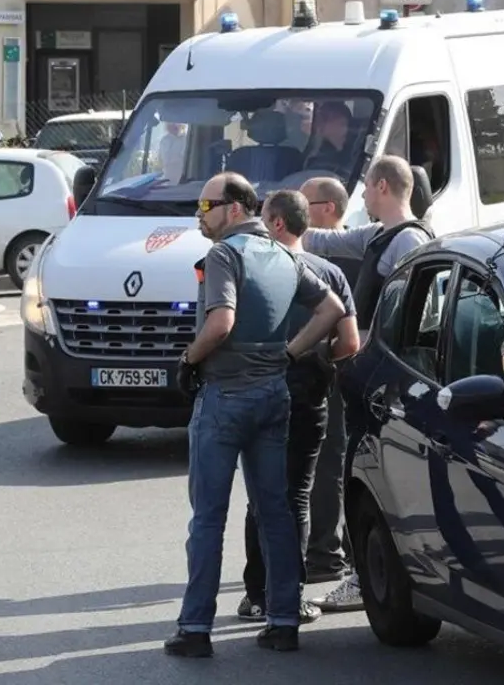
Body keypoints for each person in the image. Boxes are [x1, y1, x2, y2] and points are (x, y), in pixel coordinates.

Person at [164, 172, 347, 658]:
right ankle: (284, 620)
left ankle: (195, 629)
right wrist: (289, 354)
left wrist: (187, 359)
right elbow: (330, 309)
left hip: (225, 398)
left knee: (208, 518)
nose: (199, 217)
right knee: (276, 512)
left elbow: (220, 322)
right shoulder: (286, 256)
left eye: (205, 208)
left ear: (234, 208)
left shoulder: (225, 255)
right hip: (273, 397)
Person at [301, 155, 435, 612]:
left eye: (365, 189)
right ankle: (365, 570)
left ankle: (366, 575)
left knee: (368, 476)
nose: (360, 197)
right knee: (359, 473)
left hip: (385, 381)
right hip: (369, 376)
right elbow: (326, 239)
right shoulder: (383, 235)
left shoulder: (410, 241)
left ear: (381, 186)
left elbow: (420, 314)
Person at [236, 189, 360, 624]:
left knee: (260, 495)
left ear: (276, 223)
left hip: (253, 391)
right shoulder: (330, 274)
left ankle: (255, 594)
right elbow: (350, 343)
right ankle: (289, 595)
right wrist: (319, 360)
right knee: (296, 496)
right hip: (308, 396)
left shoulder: (250, 271)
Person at [297, 176, 358, 585]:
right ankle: (332, 549)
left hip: (323, 378)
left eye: (306, 201)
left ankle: (323, 552)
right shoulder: (354, 252)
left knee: (322, 468)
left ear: (328, 208)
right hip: (334, 372)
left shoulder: (337, 261)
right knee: (337, 465)